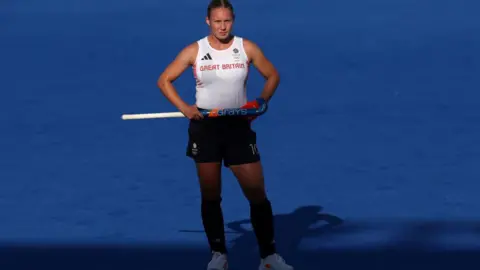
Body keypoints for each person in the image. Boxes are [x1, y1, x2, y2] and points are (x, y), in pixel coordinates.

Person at [157, 0, 294, 269]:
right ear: (208, 21)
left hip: (237, 127)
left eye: (227, 21)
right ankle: (219, 255)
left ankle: (268, 258)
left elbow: (273, 76)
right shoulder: (195, 50)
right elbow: (164, 80)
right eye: (217, 21)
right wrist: (185, 108)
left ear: (233, 20)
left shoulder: (246, 48)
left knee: (257, 194)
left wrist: (261, 102)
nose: (222, 26)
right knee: (211, 195)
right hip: (205, 129)